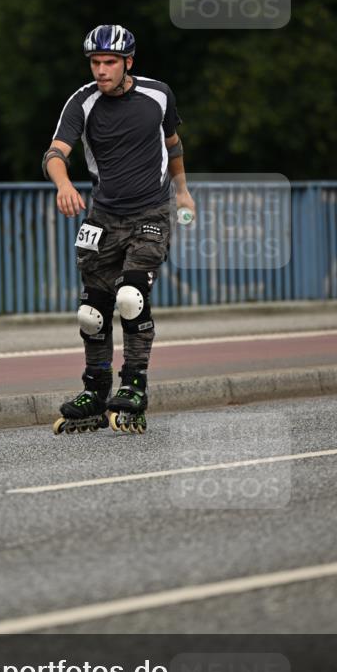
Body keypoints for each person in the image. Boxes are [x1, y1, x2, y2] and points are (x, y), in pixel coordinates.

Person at [42, 24, 195, 434]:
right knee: (91, 313)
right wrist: (63, 184)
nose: (101, 70)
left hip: (151, 212)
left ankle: (134, 388)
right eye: (95, 62)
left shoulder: (158, 94)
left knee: (130, 297)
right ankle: (95, 390)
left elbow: (174, 143)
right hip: (102, 217)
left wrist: (182, 192)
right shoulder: (82, 102)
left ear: (128, 62)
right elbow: (55, 153)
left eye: (109, 62)